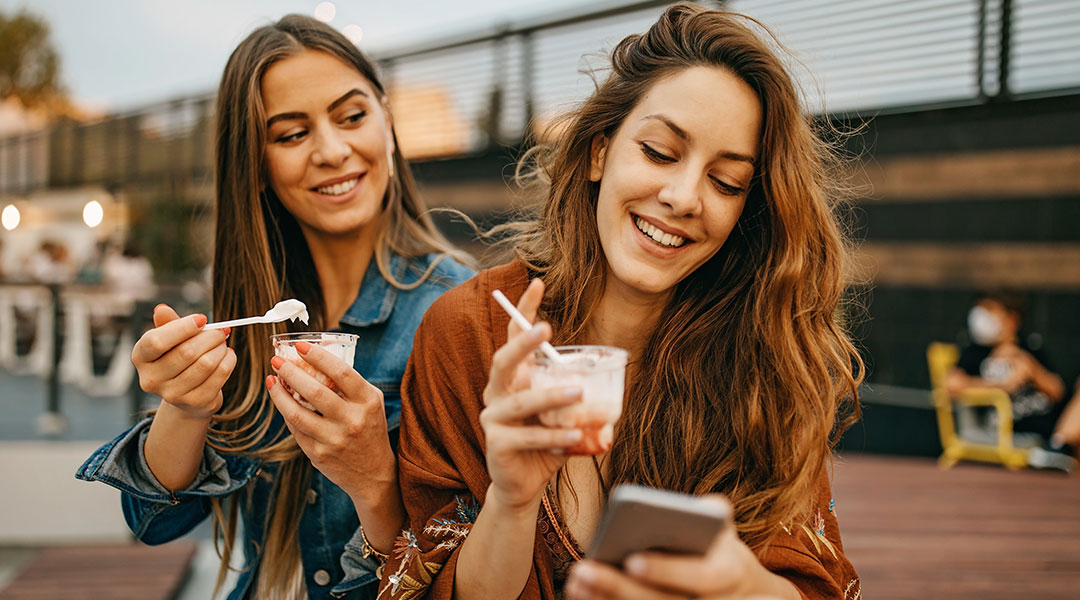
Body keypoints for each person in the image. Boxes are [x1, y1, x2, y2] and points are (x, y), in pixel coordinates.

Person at [382, 5, 863, 600]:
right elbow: (431, 589)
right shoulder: (468, 332)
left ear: (750, 209)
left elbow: (813, 581)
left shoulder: (767, 357)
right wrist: (510, 502)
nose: (685, 197)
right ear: (598, 152)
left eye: (727, 182)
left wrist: (746, 590)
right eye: (660, 152)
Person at [76, 15, 473, 600]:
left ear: (386, 121)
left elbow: (474, 575)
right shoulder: (255, 313)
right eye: (291, 135)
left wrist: (374, 480)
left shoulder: (458, 310)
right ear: (255, 166)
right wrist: (186, 407)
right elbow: (155, 522)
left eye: (352, 116)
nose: (333, 151)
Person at [946, 290, 1073, 471]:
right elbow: (951, 384)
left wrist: (1031, 369)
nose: (981, 317)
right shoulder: (977, 350)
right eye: (979, 309)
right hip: (1011, 426)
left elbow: (1058, 391)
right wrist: (1000, 386)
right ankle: (1055, 450)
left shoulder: (1030, 347)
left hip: (1050, 425)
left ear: (1012, 319)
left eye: (989, 310)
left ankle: (1057, 445)